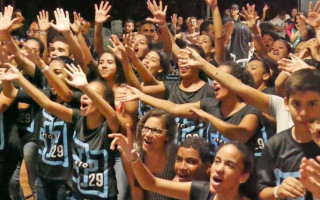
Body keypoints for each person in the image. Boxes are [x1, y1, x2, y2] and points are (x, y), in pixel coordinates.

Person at [0, 62, 120, 199]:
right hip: (77, 193)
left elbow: (112, 115)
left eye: (92, 95)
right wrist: (18, 78)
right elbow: (47, 104)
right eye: (84, 94)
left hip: (102, 195)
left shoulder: (110, 126)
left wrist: (86, 87)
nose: (85, 96)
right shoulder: (77, 117)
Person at [110, 127, 258, 200]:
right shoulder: (201, 191)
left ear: (244, 176)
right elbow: (151, 183)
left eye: (229, 165)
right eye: (217, 161)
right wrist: (134, 157)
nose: (219, 169)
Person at [257, 69, 320, 199]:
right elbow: (261, 192)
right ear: (286, 103)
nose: (303, 113)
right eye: (296, 104)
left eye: (312, 104)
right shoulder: (275, 144)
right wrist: (277, 191)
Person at [110, 109, 177, 200]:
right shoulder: (130, 153)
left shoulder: (176, 154)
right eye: (146, 128)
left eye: (156, 130)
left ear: (168, 136)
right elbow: (136, 190)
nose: (148, 134)